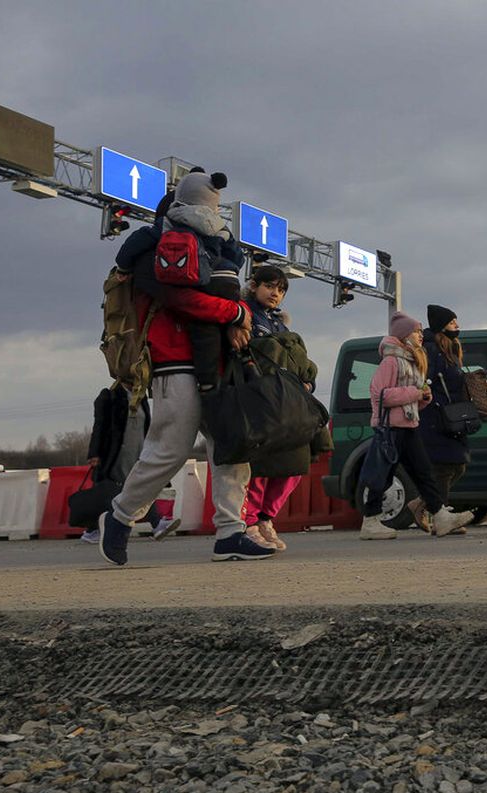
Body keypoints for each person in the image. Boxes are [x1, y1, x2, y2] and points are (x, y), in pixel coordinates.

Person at [97, 179, 270, 565]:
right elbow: (181, 299)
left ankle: (230, 532)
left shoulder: (211, 251)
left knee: (230, 447)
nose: (209, 218)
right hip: (174, 360)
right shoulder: (152, 250)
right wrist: (237, 312)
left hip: (217, 360)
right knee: (169, 450)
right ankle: (120, 516)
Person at [240, 265, 331, 551]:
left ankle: (267, 517)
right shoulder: (243, 315)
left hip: (289, 401)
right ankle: (251, 523)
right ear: (254, 285)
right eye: (270, 287)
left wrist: (307, 384)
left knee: (295, 463)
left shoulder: (280, 324)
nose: (275, 294)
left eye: (281, 290)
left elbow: (299, 362)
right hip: (262, 401)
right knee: (262, 468)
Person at [359, 312, 473, 539]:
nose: (421, 336)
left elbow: (406, 398)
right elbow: (380, 394)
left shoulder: (410, 359)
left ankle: (440, 516)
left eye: (421, 331)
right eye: (416, 332)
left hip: (409, 425)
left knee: (424, 472)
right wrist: (415, 393)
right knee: (383, 473)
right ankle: (370, 521)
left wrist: (423, 399)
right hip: (390, 427)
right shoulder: (391, 361)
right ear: (404, 335)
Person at [159, 170, 248, 393]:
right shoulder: (218, 224)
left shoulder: (170, 221)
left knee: (204, 329)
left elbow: (179, 300)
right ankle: (246, 366)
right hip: (229, 281)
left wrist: (122, 266)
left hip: (203, 282)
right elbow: (237, 256)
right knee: (237, 330)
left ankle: (208, 384)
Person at [80, 383, 179, 543]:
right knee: (115, 490)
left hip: (139, 452)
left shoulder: (141, 397)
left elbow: (148, 426)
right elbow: (99, 425)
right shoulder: (109, 396)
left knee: (141, 486)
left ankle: (157, 524)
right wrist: (95, 452)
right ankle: (93, 530)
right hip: (116, 454)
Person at [409, 304, 471, 534]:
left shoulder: (450, 349)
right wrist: (433, 401)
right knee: (444, 468)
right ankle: (442, 518)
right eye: (452, 322)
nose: (457, 326)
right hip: (436, 417)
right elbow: (424, 378)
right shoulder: (432, 349)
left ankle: (422, 503)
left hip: (452, 415)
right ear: (441, 326)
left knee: (458, 466)